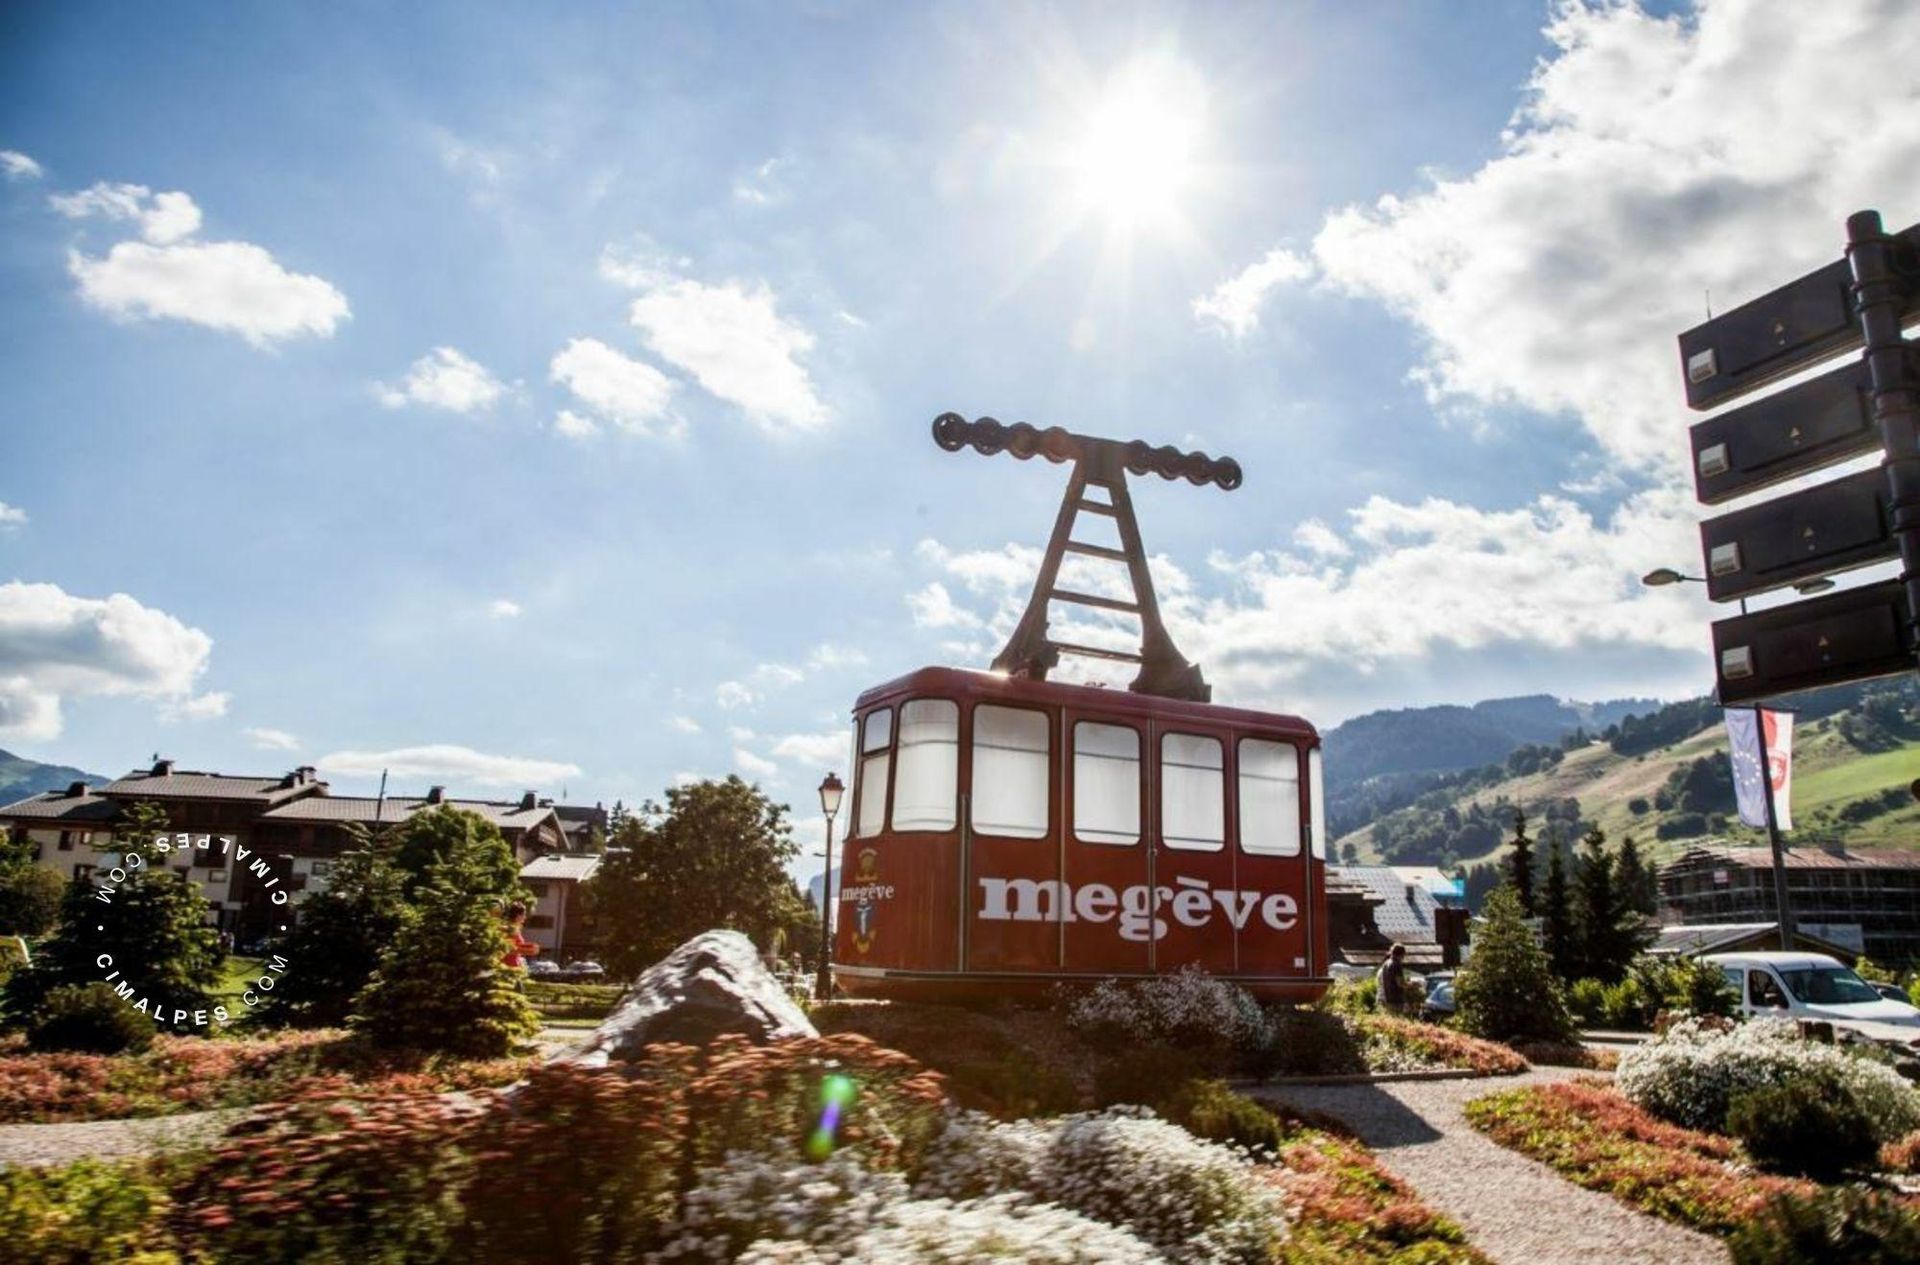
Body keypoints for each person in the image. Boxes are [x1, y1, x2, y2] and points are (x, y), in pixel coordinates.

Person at [1377, 943, 1408, 1015]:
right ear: (1402, 954)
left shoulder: (1386, 963)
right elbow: (1400, 983)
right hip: (1396, 999)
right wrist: (1412, 985)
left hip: (1387, 997)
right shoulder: (1396, 964)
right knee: (1397, 1020)